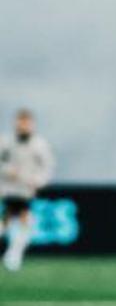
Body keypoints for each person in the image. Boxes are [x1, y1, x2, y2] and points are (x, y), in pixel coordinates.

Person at [0, 108, 55, 271]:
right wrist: (7, 170)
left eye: (26, 122)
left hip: (26, 189)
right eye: (20, 122)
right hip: (8, 188)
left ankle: (14, 253)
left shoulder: (39, 145)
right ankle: (14, 254)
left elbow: (48, 167)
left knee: (21, 219)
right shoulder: (6, 142)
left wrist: (38, 181)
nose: (23, 126)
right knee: (13, 218)